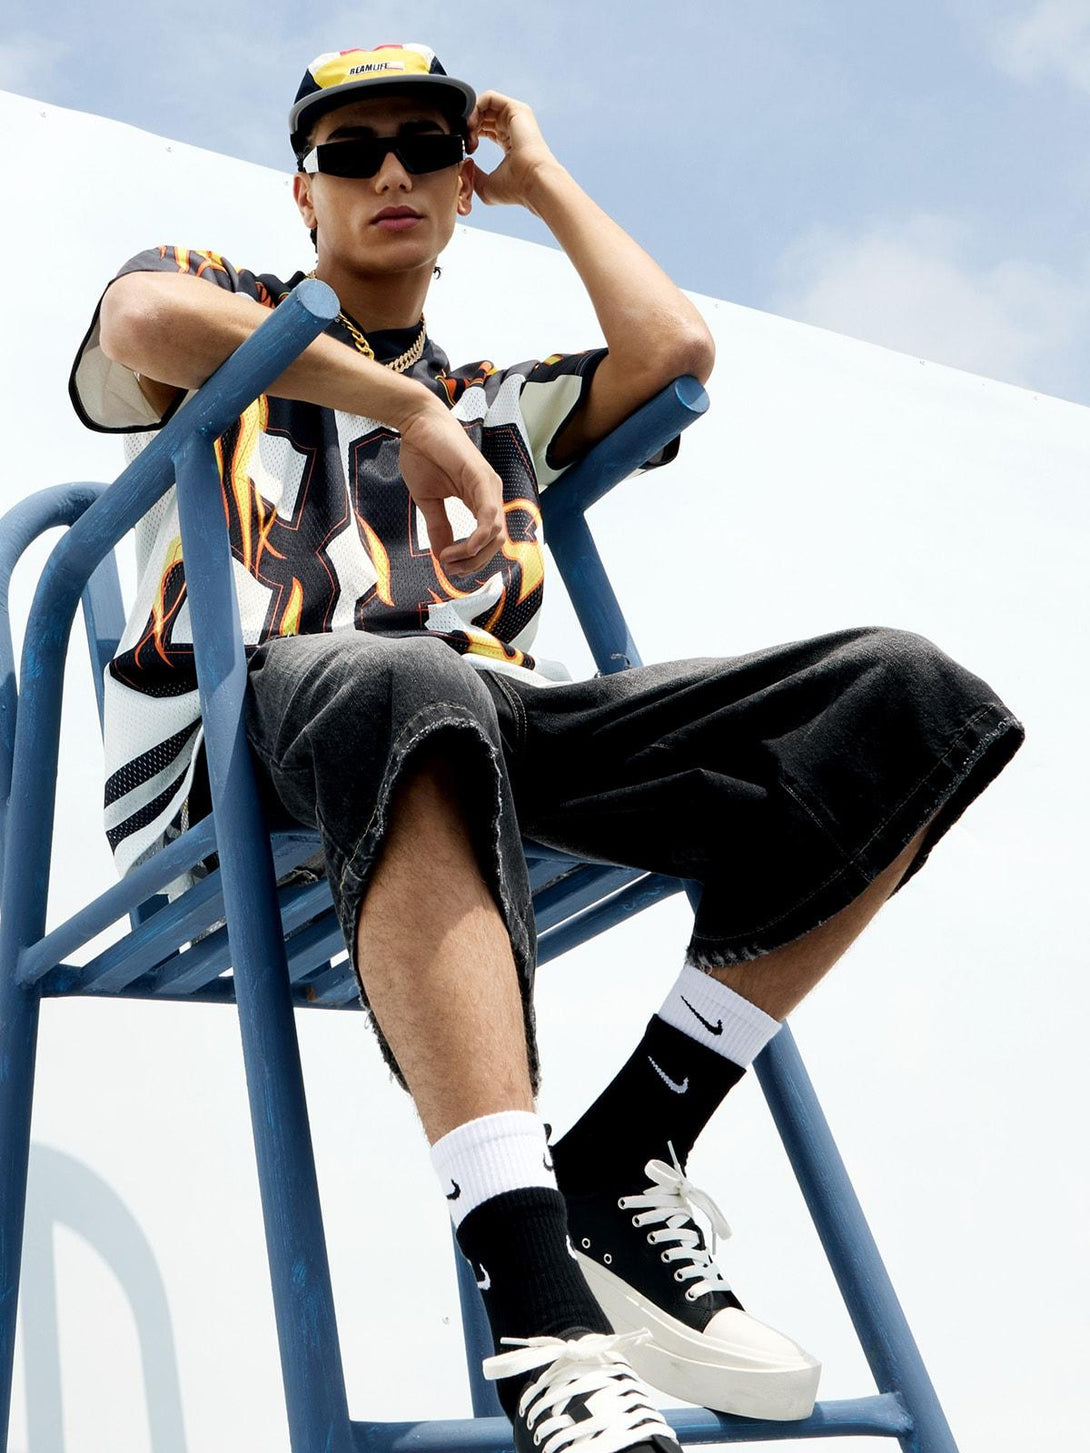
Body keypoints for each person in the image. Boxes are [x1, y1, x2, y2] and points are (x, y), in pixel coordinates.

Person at [69, 41, 1024, 1451]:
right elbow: (140, 320)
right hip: (248, 732)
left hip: (485, 724)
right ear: (304, 191)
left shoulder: (504, 399)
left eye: (423, 148)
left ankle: (629, 1143)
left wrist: (548, 177)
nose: (388, 170)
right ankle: (535, 1307)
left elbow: (673, 354)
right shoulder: (232, 300)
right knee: (406, 682)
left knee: (907, 701)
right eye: (351, 151)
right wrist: (401, 413)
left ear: (462, 186)